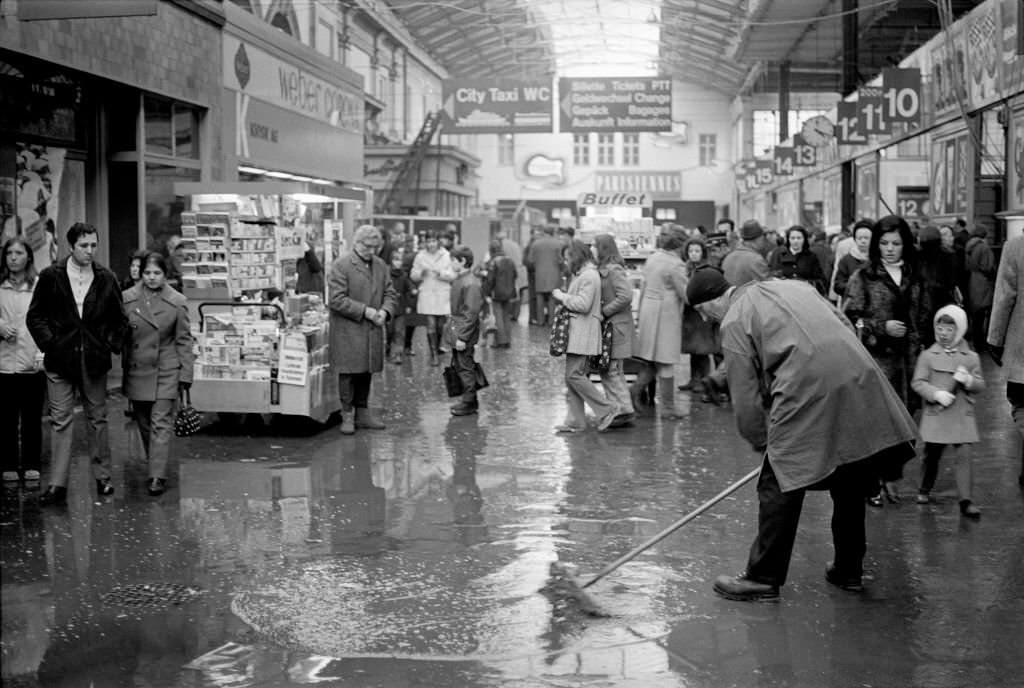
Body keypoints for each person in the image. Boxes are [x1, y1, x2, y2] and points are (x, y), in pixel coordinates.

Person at [684, 268, 917, 602]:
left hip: (806, 387)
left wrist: (762, 442)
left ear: (710, 301)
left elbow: (745, 397)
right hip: (857, 374)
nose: (706, 319)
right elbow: (844, 323)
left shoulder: (734, 320)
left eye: (703, 311)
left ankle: (762, 578)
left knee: (777, 480)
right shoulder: (790, 286)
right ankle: (848, 570)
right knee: (849, 471)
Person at [27, 222, 128, 505]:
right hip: (61, 359)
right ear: (71, 246)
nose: (90, 251)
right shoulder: (51, 276)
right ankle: (57, 484)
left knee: (98, 419)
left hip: (94, 360)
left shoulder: (106, 277)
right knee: (61, 420)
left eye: (94, 245)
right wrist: (51, 344)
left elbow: (119, 320)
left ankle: (103, 477)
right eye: (84, 245)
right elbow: (35, 316)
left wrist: (108, 344)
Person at [843, 215, 929, 507]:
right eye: (884, 243)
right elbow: (850, 318)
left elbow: (924, 318)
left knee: (904, 424)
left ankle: (890, 477)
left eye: (896, 243)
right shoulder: (863, 278)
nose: (890, 249)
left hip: (911, 364)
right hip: (877, 365)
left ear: (905, 245)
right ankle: (874, 483)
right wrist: (881, 327)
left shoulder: (916, 278)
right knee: (878, 424)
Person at [121, 252, 194, 496]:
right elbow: (122, 335)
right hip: (138, 368)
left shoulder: (177, 301)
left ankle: (156, 476)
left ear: (165, 275)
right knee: (143, 422)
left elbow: (184, 340)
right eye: (147, 273)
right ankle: (156, 462)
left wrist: (186, 375)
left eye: (157, 273)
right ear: (140, 274)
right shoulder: (127, 299)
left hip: (166, 368)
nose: (152, 278)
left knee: (160, 422)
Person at [911, 305, 983, 517]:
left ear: (959, 330)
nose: (943, 334)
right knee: (931, 455)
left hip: (961, 413)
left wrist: (969, 380)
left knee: (964, 455)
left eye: (949, 330)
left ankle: (966, 500)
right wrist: (935, 394)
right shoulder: (927, 356)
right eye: (940, 329)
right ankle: (924, 488)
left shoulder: (970, 357)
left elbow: (980, 385)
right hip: (938, 413)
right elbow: (918, 382)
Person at [328, 225, 397, 435]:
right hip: (349, 329)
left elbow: (390, 293)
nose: (372, 251)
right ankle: (347, 414)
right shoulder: (341, 265)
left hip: (372, 328)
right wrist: (365, 311)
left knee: (366, 370)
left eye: (375, 247)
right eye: (368, 247)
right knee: (348, 372)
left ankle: (363, 412)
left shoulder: (380, 265)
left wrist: (385, 311)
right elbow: (336, 299)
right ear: (356, 243)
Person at [551, 239, 618, 433]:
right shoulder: (586, 274)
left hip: (583, 332)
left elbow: (583, 304)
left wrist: (562, 297)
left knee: (574, 375)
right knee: (571, 376)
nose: (566, 262)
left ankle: (607, 409)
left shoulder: (588, 276)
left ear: (576, 256)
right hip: (579, 332)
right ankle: (575, 421)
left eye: (567, 258)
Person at [630, 225, 689, 419]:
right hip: (667, 313)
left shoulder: (652, 258)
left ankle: (635, 390)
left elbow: (644, 285)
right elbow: (685, 294)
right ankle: (668, 408)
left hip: (648, 309)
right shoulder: (676, 264)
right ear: (680, 245)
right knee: (666, 361)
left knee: (651, 359)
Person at [0, 238, 44, 483]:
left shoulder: (38, 286)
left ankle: (31, 463)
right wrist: (1, 327)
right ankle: (7, 464)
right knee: (5, 417)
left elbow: (48, 321)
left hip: (31, 362)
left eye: (19, 253)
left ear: (28, 257)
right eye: (9, 253)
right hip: (3, 363)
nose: (13, 257)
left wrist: (43, 354)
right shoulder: (0, 285)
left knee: (31, 418)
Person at [987, 232, 1024, 487]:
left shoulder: (1015, 248)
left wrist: (995, 339)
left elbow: (1004, 297)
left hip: (1022, 350)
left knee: (1021, 405)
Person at [592, 233, 636, 427]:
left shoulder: (614, 270)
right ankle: (617, 409)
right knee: (609, 370)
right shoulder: (605, 269)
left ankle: (624, 409)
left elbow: (626, 296)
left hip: (616, 327)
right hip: (611, 327)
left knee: (612, 370)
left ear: (603, 249)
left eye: (595, 246)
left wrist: (605, 311)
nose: (592, 249)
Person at [447, 245, 486, 416]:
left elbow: (471, 312)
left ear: (462, 261)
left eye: (453, 260)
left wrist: (462, 337)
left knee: (465, 366)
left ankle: (469, 402)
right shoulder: (463, 279)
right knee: (461, 364)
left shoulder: (469, 283)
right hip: (459, 329)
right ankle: (469, 399)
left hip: (463, 331)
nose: (451, 263)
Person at [410, 230, 455, 366]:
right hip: (427, 293)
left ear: (438, 241)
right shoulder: (420, 256)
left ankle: (438, 346)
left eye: (433, 241)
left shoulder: (447, 255)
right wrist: (420, 273)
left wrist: (441, 273)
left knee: (441, 324)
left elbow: (453, 274)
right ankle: (434, 354)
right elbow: (413, 274)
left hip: (442, 293)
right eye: (429, 241)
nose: (431, 244)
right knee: (430, 324)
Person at [964, 222, 996, 352]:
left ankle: (976, 342)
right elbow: (988, 267)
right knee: (982, 315)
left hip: (972, 281)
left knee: (976, 316)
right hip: (983, 282)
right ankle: (981, 344)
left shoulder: (969, 246)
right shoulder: (983, 248)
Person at [768, 225, 827, 295]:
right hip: (785, 296)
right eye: (792, 238)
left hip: (805, 296)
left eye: (799, 238)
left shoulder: (811, 257)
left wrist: (806, 283)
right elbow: (772, 276)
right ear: (788, 239)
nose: (796, 241)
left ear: (804, 239)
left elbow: (821, 281)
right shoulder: (780, 254)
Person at [524, 226, 564, 326]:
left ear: (544, 232)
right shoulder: (557, 243)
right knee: (552, 298)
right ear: (552, 233)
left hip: (539, 274)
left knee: (540, 298)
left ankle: (540, 321)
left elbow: (530, 260)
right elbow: (560, 260)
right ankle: (551, 321)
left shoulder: (536, 244)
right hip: (553, 275)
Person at [482, 239, 517, 349]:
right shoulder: (510, 260)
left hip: (497, 293)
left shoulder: (493, 262)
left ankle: (501, 341)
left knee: (498, 317)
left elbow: (490, 280)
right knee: (506, 316)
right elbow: (515, 275)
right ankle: (508, 341)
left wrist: (486, 292)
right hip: (509, 292)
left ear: (491, 250)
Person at [832, 222, 872, 306]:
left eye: (866, 238)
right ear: (854, 239)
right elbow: (838, 285)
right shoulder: (846, 260)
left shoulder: (877, 259)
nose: (863, 241)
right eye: (860, 238)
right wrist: (853, 287)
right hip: (851, 307)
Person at [386, 246, 415, 364]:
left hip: (401, 307)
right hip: (388, 307)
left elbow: (409, 285)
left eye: (399, 260)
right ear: (391, 261)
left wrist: (413, 290)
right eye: (395, 259)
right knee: (389, 332)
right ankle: (387, 348)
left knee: (399, 332)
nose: (397, 262)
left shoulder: (404, 275)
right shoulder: (386, 274)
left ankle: (397, 355)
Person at [721, 220, 770, 288]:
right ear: (758, 238)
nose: (764, 240)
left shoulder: (728, 257)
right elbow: (767, 288)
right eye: (763, 237)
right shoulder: (756, 260)